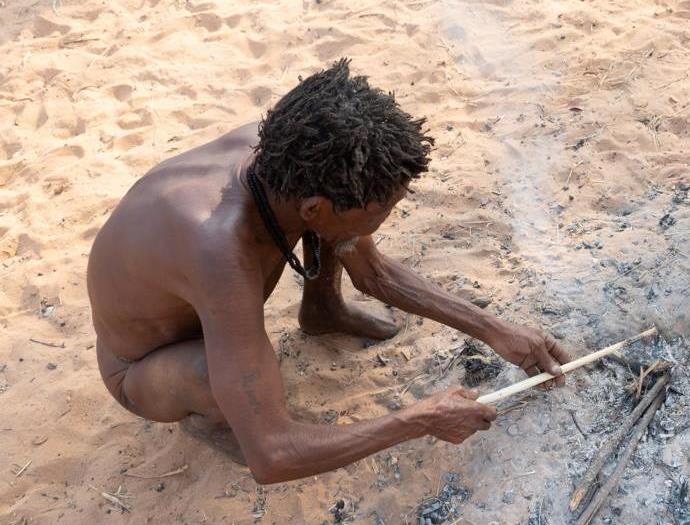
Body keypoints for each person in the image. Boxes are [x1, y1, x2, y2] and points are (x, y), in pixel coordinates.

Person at [87, 58, 569, 484]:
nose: (383, 221)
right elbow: (273, 456)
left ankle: (322, 311)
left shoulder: (293, 161)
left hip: (240, 267)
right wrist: (419, 419)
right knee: (217, 378)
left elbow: (373, 274)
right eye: (380, 212)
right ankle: (214, 416)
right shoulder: (217, 249)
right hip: (141, 368)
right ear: (316, 207)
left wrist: (497, 330)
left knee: (336, 237)